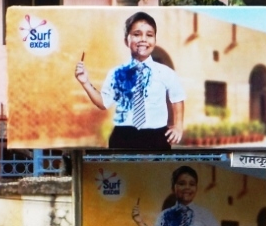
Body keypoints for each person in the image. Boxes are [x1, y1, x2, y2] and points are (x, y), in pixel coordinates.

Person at [75, 11, 185, 150]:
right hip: (123, 136)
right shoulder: (116, 73)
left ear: (155, 40)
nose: (143, 39)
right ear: (126, 40)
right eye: (137, 34)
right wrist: (85, 82)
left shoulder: (165, 72)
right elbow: (103, 103)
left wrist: (178, 126)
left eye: (149, 35)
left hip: (156, 137)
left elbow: (177, 98)